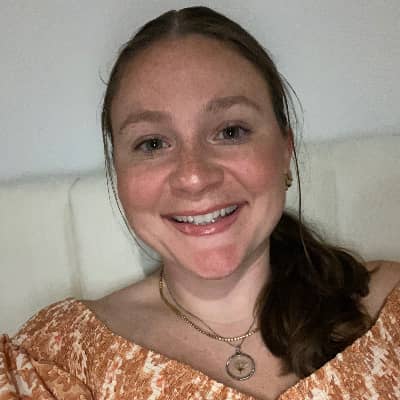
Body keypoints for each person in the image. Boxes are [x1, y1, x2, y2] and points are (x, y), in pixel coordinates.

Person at [1, 6, 399, 400]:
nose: (193, 176)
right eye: (152, 143)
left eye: (230, 131)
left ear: (285, 150)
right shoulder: (54, 361)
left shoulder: (389, 309)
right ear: (117, 172)